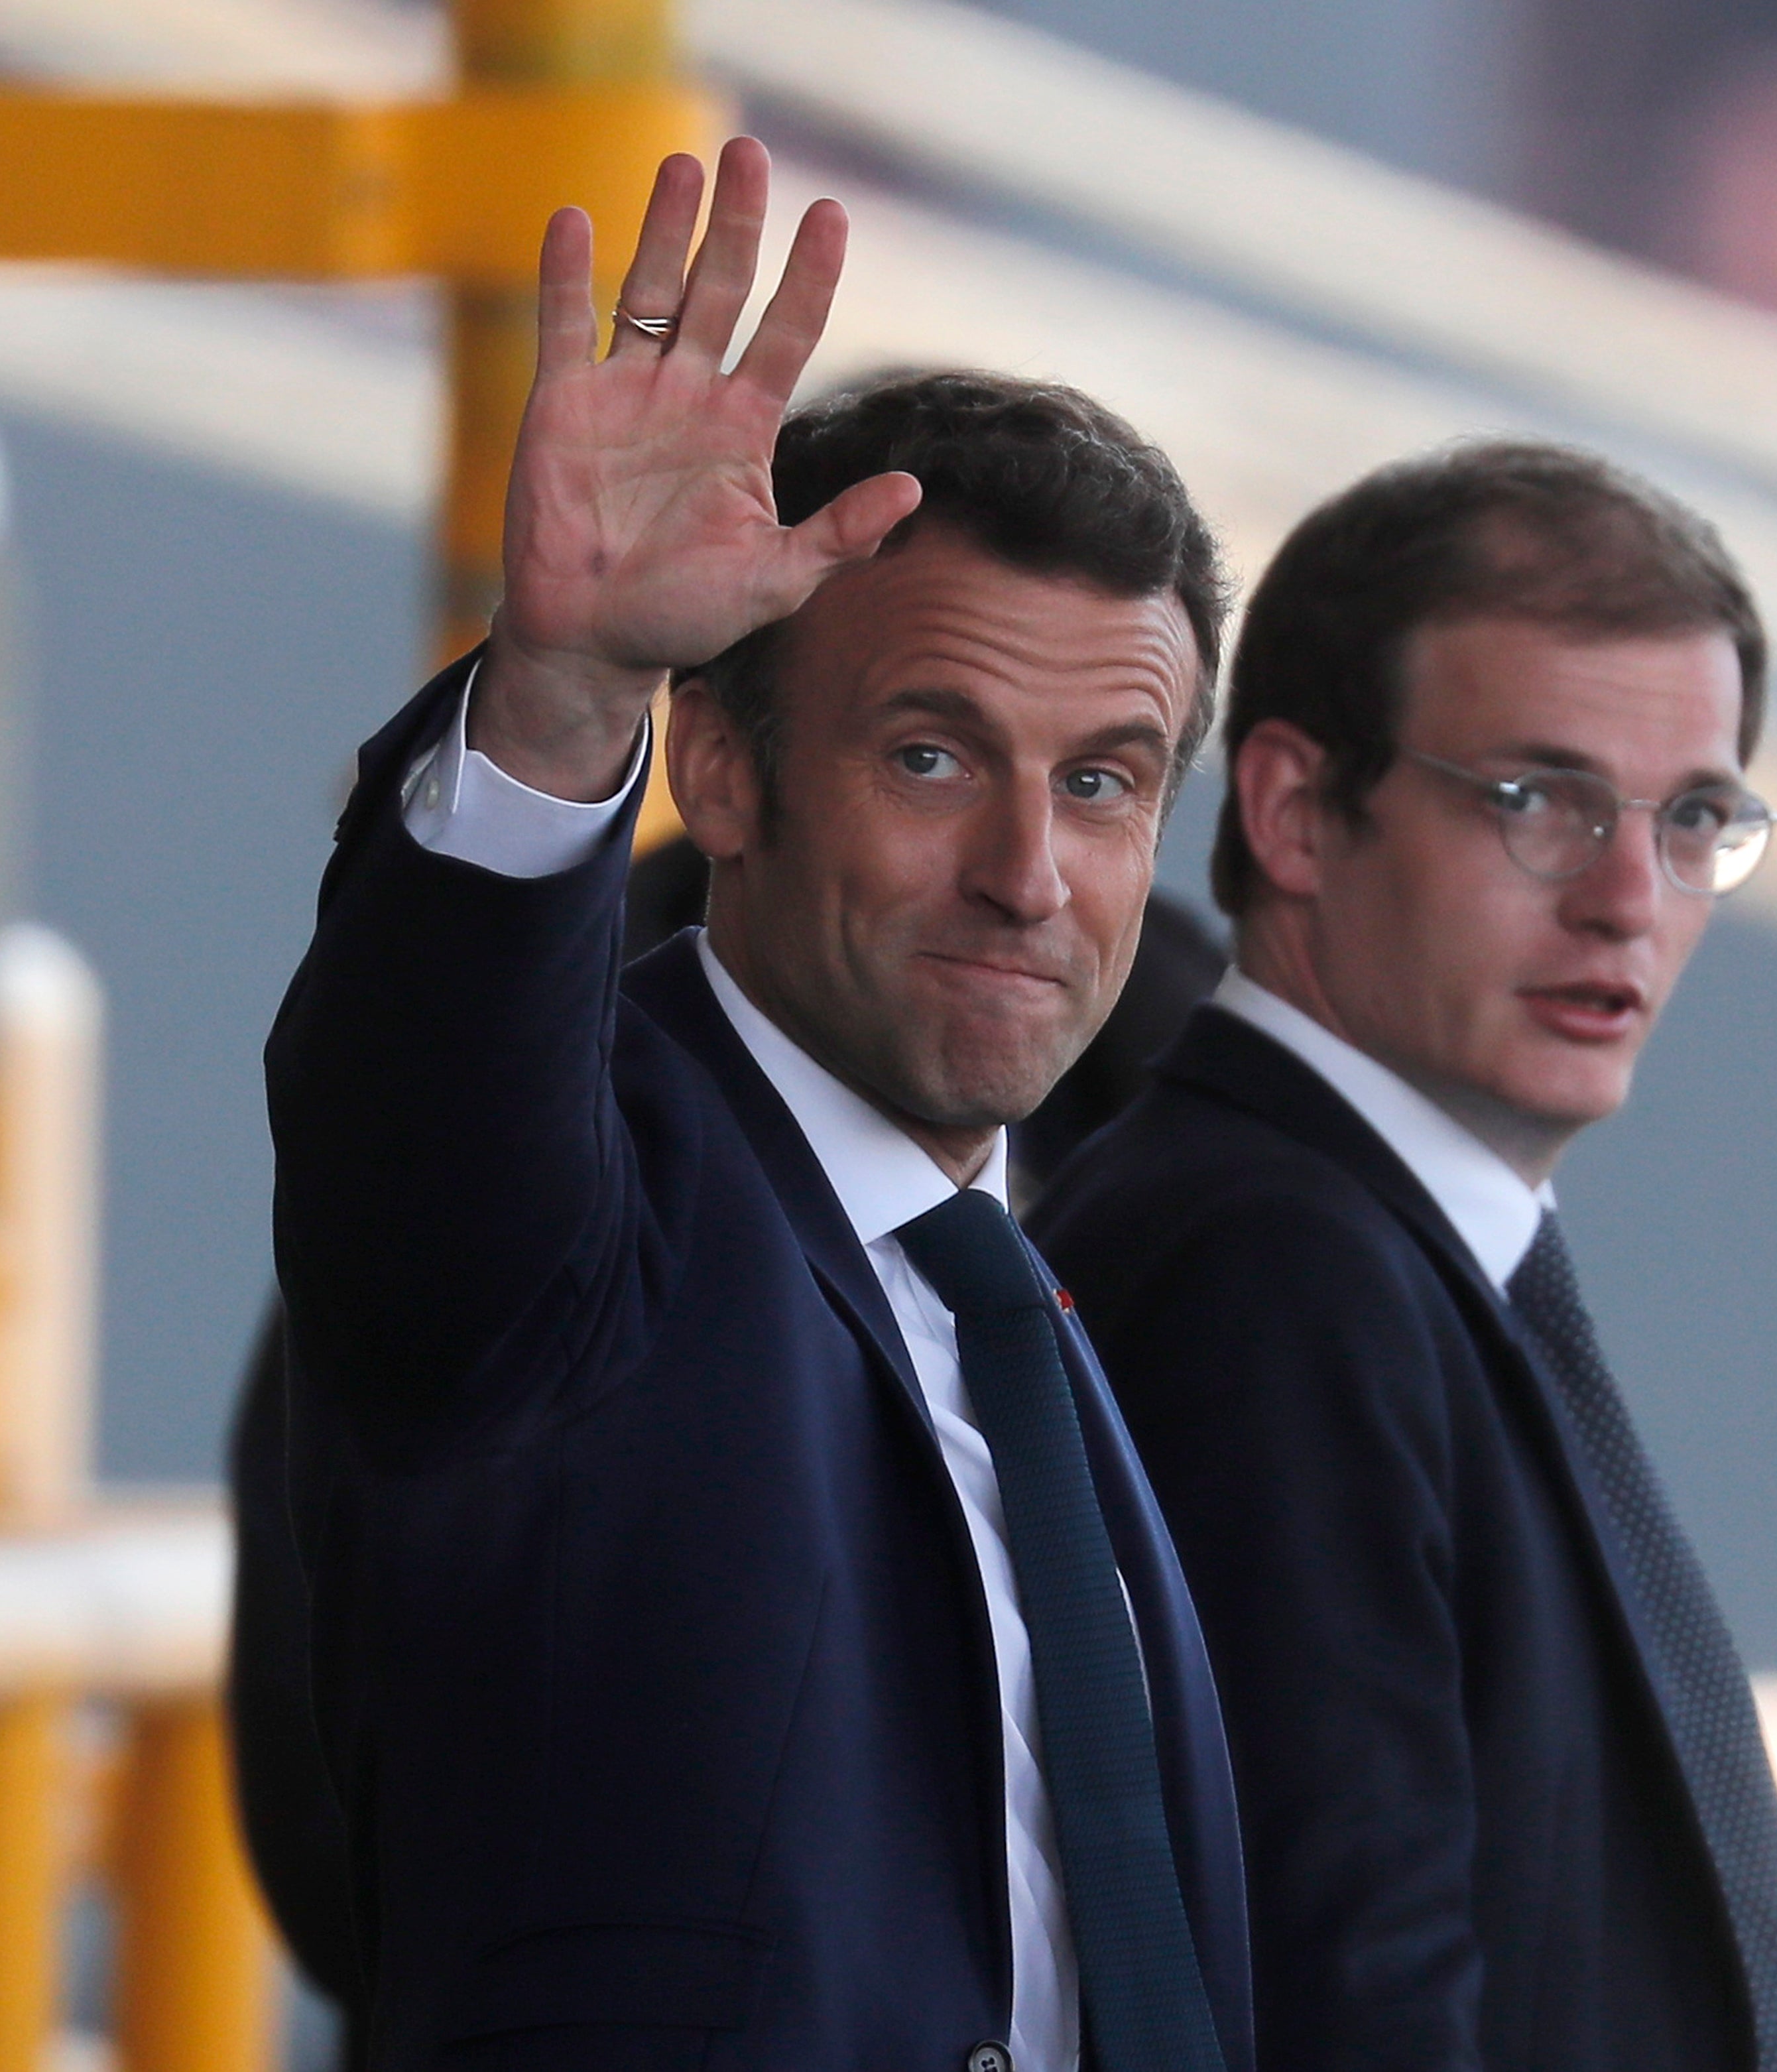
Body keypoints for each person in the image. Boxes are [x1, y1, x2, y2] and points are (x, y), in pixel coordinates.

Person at [266, 139, 1249, 2071]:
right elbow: (424, 1097)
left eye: (1111, 780)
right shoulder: (577, 1208)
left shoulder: (1018, 1312)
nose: (1031, 871)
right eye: (933, 752)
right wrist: (559, 694)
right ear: (714, 771)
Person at [1030, 442, 1777, 2072]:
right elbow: (1345, 1994)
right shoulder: (1268, 1273)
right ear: (1291, 809)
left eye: (1693, 815)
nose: (1629, 898)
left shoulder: (1379, 1250)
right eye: (1537, 802)